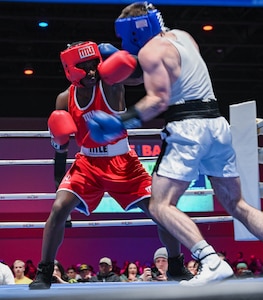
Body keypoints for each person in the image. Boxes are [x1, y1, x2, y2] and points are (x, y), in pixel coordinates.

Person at [88, 2, 263, 286]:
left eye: (125, 35)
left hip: (187, 128)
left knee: (159, 205)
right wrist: (124, 65)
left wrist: (122, 121)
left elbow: (158, 98)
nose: (125, 42)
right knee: (237, 204)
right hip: (217, 123)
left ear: (134, 30)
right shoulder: (183, 36)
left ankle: (211, 261)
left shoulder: (149, 51)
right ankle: (212, 261)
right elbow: (163, 72)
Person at [29, 40, 192, 290]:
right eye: (85, 67)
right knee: (59, 209)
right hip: (87, 164)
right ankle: (45, 271)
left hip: (123, 162)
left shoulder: (112, 84)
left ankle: (176, 264)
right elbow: (61, 149)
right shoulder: (65, 99)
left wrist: (123, 56)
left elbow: (138, 76)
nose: (93, 71)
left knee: (161, 211)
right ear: (71, 70)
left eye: (95, 65)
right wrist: (56, 182)